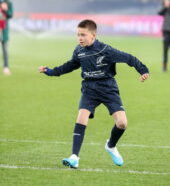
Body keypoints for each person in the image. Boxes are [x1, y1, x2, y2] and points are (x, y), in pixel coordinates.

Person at [39, 19, 149, 169]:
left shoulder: (106, 50)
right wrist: (52, 72)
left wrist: (143, 70)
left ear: (93, 35)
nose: (80, 38)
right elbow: (70, 65)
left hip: (108, 88)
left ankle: (110, 146)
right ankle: (74, 157)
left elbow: (129, 58)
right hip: (89, 88)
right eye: (78, 34)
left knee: (122, 123)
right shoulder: (79, 50)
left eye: (83, 35)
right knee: (81, 118)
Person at [0, 0, 13, 75]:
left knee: (4, 49)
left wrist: (6, 9)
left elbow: (10, 14)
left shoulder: (9, 3)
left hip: (4, 30)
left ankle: (6, 67)